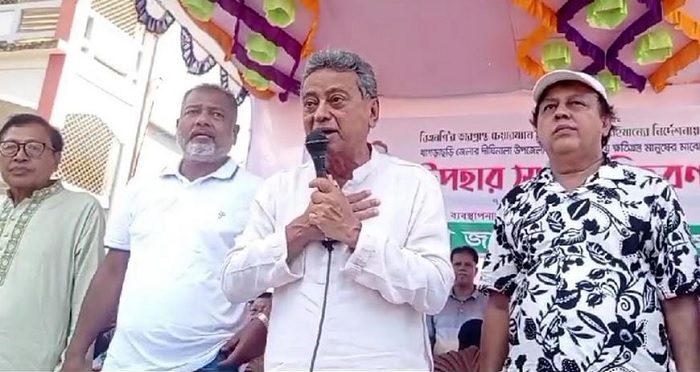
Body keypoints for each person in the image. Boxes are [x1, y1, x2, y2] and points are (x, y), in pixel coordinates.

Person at [220, 49, 454, 370]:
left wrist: (354, 235)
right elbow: (234, 282)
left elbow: (435, 290)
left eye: (337, 100)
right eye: (310, 103)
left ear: (372, 112)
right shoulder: (279, 189)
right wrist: (302, 230)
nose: (320, 114)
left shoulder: (413, 184)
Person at [479, 69, 700, 371]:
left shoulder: (649, 190)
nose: (561, 113)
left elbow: (678, 295)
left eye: (576, 104)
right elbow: (499, 301)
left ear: (606, 122)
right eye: (549, 107)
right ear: (537, 128)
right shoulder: (517, 202)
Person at [62, 84, 261, 371]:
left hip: (209, 360)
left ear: (235, 132)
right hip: (124, 360)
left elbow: (270, 279)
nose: (202, 120)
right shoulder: (141, 187)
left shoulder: (258, 194)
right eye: (193, 112)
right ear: (179, 125)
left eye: (216, 114)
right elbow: (112, 271)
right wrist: (76, 352)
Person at [0, 114, 105, 370]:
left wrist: (75, 360)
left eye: (34, 148)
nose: (19, 156)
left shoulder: (81, 209)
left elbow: (87, 294)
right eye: (9, 147)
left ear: (56, 158)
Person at [428, 246, 487, 355]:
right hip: (440, 366)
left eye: (468, 265)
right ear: (450, 269)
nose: (462, 268)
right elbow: (427, 340)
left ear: (476, 270)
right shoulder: (437, 300)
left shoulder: (487, 303)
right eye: (457, 264)